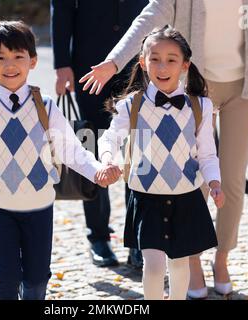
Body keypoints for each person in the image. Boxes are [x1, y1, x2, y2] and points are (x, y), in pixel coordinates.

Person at [80, 0, 248, 298]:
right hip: (197, 81)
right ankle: (190, 262)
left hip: (242, 85)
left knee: (230, 181)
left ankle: (221, 260)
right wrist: (114, 62)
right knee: (190, 176)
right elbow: (149, 18)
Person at [0, 20, 119, 300]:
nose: (10, 65)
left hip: (39, 207)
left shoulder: (46, 107)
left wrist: (96, 171)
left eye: (18, 56)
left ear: (32, 61)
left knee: (35, 279)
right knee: (5, 278)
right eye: (0, 58)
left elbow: (72, 150)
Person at [98, 27, 225, 300]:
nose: (162, 66)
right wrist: (108, 159)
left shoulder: (200, 106)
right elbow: (109, 139)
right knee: (154, 267)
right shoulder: (132, 105)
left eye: (171, 59)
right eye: (154, 59)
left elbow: (207, 154)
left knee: (179, 264)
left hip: (186, 196)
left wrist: (214, 182)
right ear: (143, 63)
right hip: (146, 197)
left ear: (185, 65)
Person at [50, 0, 148, 268]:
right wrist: (62, 63)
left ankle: (139, 239)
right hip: (89, 64)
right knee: (91, 146)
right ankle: (98, 236)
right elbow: (62, 7)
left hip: (138, 64)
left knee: (138, 151)